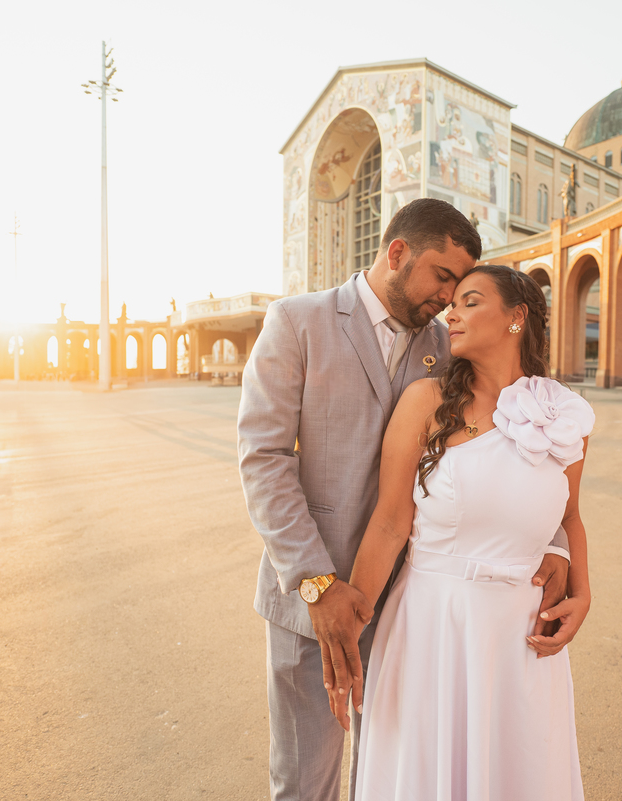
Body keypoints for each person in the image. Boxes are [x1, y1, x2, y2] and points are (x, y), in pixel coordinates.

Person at [238, 199, 573, 801]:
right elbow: (263, 461)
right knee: (303, 780)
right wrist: (317, 584)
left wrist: (553, 543)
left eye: (462, 287)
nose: (449, 298)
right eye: (444, 277)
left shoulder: (450, 345)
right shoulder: (297, 322)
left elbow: (512, 452)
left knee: (392, 776)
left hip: (413, 608)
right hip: (316, 600)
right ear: (398, 253)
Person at [329, 265, 595, 800]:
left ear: (517, 317)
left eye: (471, 301)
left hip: (520, 637)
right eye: (453, 302)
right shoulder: (425, 401)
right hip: (434, 626)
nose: (452, 312)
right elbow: (388, 523)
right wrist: (349, 628)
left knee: (515, 774)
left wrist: (583, 592)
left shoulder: (561, 413)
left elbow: (568, 517)